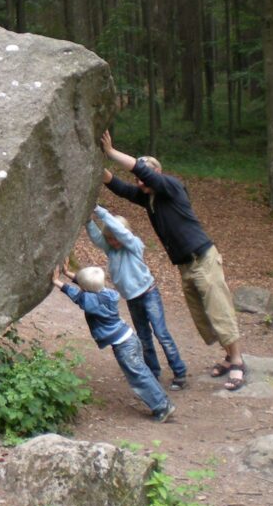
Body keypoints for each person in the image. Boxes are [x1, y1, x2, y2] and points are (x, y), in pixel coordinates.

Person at [98, 130, 246, 390]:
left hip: (202, 259)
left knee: (219, 310)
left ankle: (237, 361)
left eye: (146, 173)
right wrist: (95, 166)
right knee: (204, 315)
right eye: (139, 176)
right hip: (186, 265)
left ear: (158, 172)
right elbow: (120, 188)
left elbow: (142, 172)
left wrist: (111, 153)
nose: (140, 179)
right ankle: (227, 355)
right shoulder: (150, 198)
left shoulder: (172, 187)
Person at [52, 263, 176, 422]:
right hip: (130, 338)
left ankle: (161, 407)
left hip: (123, 346)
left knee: (138, 377)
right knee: (143, 372)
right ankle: (163, 402)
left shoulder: (92, 302)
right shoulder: (108, 293)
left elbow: (77, 295)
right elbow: (86, 287)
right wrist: (68, 273)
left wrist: (57, 282)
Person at [85, 204, 188, 391]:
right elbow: (96, 238)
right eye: (110, 240)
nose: (114, 243)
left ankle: (179, 371)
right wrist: (87, 219)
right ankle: (153, 372)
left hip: (149, 294)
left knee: (161, 333)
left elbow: (121, 233)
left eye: (116, 239)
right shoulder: (111, 250)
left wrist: (101, 212)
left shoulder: (134, 245)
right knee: (144, 337)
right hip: (132, 300)